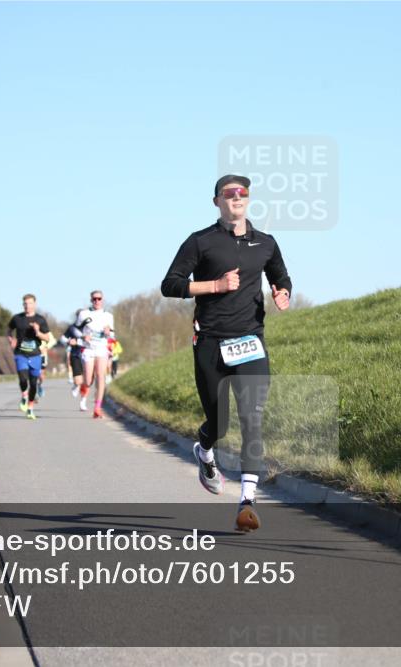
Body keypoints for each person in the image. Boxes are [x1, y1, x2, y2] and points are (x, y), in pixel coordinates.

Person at [160, 174, 292, 532]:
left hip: (250, 342)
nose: (237, 197)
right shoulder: (200, 242)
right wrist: (214, 286)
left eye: (243, 193)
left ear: (248, 200)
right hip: (210, 343)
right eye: (229, 193)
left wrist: (283, 293)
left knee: (252, 418)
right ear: (217, 201)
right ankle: (204, 451)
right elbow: (170, 284)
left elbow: (280, 275)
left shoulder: (265, 242)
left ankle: (247, 501)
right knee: (219, 422)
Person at [7, 294, 51, 420]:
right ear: (23, 305)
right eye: (25, 303)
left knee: (33, 383)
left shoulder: (40, 319)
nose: (27, 306)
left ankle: (30, 408)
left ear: (34, 304)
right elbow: (8, 330)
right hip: (21, 354)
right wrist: (11, 339)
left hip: (35, 355)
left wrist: (38, 332)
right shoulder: (17, 318)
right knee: (22, 378)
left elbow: (47, 338)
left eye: (30, 303)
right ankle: (24, 395)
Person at [76, 290, 114, 418]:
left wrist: (108, 332)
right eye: (94, 299)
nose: (97, 301)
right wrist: (83, 336)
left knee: (101, 376)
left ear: (103, 300)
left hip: (101, 348)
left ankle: (97, 407)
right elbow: (75, 330)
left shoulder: (108, 316)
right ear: (91, 300)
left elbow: (112, 334)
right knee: (88, 381)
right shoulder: (84, 314)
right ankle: (83, 388)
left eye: (99, 299)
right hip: (88, 349)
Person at [62, 313, 86, 398]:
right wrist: (68, 341)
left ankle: (83, 401)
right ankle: (76, 385)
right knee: (78, 380)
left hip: (88, 355)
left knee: (87, 381)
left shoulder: (90, 328)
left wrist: (78, 342)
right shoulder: (72, 328)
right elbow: (63, 339)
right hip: (75, 354)